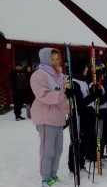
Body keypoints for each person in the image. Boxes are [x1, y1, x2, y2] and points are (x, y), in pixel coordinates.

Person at [30, 48, 71, 187]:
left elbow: (63, 96)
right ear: (46, 59)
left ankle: (53, 174)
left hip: (58, 117)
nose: (55, 61)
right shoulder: (39, 75)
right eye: (52, 59)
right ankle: (45, 178)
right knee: (47, 150)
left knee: (57, 150)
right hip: (45, 116)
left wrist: (68, 110)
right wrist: (63, 95)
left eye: (57, 58)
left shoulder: (60, 74)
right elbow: (42, 95)